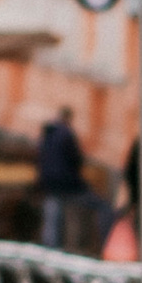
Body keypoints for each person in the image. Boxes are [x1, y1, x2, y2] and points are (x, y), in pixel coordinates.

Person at [35, 105, 87, 249]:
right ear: (69, 118)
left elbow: (40, 156)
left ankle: (50, 248)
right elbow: (76, 159)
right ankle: (69, 248)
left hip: (48, 181)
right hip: (65, 183)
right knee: (69, 214)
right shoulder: (67, 134)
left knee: (51, 215)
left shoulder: (47, 133)